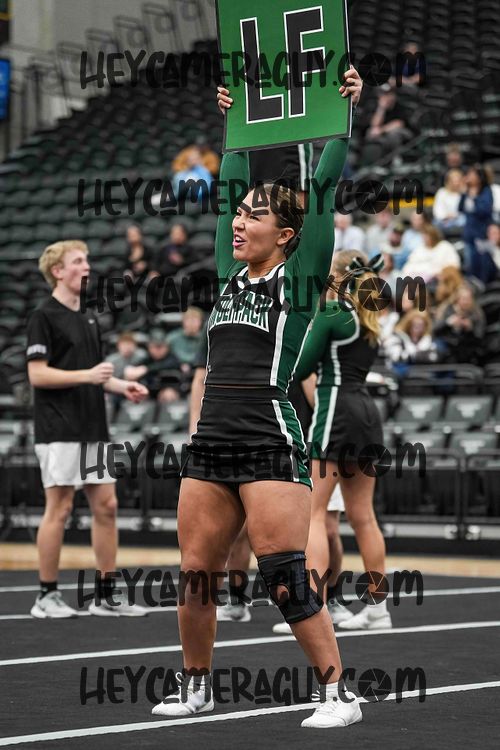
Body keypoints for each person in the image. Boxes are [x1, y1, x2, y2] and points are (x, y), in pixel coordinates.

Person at [152, 69, 365, 729]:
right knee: (196, 573)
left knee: (283, 575)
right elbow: (226, 195)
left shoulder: (300, 280)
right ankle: (196, 687)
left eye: (255, 216)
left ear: (288, 235)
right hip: (211, 442)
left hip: (270, 437)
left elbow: (321, 194)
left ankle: (337, 694)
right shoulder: (227, 274)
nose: (240, 222)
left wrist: (343, 120)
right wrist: (235, 126)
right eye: (240, 215)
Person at [26, 240, 149, 618]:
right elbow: (37, 375)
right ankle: (46, 596)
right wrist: (88, 376)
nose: (86, 267)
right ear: (58, 271)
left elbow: (97, 375)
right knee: (60, 508)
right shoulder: (43, 316)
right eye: (78, 261)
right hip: (59, 428)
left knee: (107, 507)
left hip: (94, 427)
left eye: (87, 260)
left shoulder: (90, 317)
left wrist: (122, 386)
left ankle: (106, 595)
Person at [274, 251, 391, 634]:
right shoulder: (369, 317)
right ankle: (378, 609)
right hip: (367, 414)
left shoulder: (332, 313)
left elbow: (301, 368)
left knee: (315, 513)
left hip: (336, 411)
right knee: (364, 516)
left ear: (337, 278)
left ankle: (315, 608)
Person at [433, 283, 486, 364]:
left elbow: (480, 336)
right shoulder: (446, 310)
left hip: (468, 348)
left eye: (468, 299)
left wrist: (470, 328)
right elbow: (435, 330)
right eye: (464, 299)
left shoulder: (477, 314)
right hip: (448, 347)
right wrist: (448, 323)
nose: (466, 302)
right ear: (457, 299)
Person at [125, 329, 181, 403]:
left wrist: (146, 369)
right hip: (149, 391)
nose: (157, 350)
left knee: (168, 395)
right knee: (138, 393)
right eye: (154, 346)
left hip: (168, 389)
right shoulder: (147, 359)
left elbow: (166, 365)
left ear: (167, 347)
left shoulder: (172, 359)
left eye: (160, 346)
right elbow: (133, 370)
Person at [458, 165, 494, 281]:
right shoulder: (467, 191)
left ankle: (485, 284)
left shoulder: (486, 191)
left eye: (471, 174)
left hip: (482, 233)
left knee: (484, 263)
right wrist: (464, 193)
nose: (468, 177)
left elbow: (485, 210)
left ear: (479, 177)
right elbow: (460, 208)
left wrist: (474, 198)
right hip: (469, 233)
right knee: (470, 263)